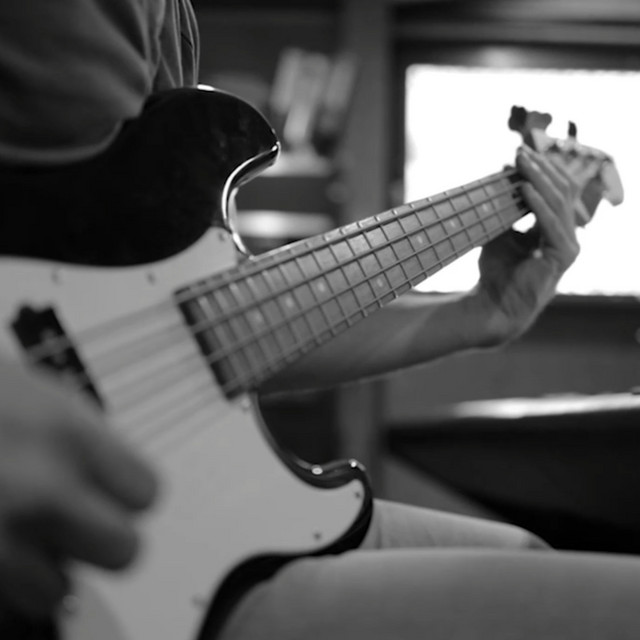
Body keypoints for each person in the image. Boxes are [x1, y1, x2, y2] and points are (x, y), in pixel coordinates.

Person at [1, 1, 640, 639]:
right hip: (70, 556)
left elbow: (192, 337)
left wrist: (477, 313)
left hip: (153, 508)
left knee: (523, 552)